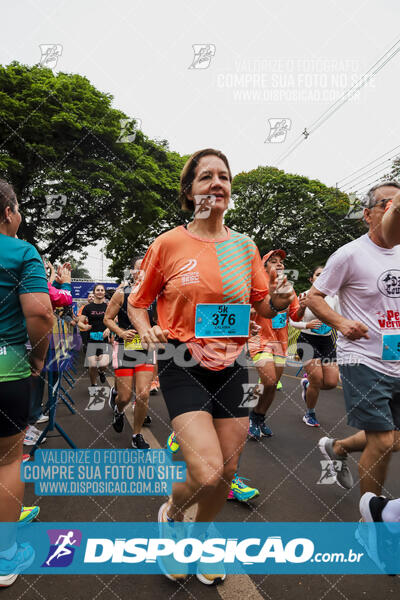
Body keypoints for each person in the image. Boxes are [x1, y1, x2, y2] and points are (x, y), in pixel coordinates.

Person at [127, 148, 294, 584]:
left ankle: (200, 539)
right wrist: (146, 330)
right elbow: (137, 302)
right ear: (190, 191)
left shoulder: (244, 246)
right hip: (181, 360)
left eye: (224, 176)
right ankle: (173, 514)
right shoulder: (168, 244)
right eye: (206, 177)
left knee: (230, 471)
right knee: (206, 469)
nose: (216, 183)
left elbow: (262, 307)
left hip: (233, 362)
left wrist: (278, 296)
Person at [306, 181, 400, 494]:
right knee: (383, 440)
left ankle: (339, 447)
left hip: (395, 356)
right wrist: (342, 323)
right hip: (362, 357)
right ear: (367, 215)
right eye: (385, 204)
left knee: (394, 439)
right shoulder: (350, 254)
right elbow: (314, 297)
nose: (392, 210)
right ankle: (370, 521)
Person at [0, 180, 54, 586]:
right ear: (8, 212)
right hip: (7, 366)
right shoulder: (21, 251)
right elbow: (40, 315)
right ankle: (5, 556)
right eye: (18, 209)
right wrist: (38, 358)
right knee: (9, 461)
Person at [247, 249, 305, 439]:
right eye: (273, 261)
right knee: (269, 379)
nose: (279, 264)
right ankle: (247, 415)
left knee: (272, 385)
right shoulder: (255, 285)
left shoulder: (289, 289)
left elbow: (295, 315)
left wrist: (303, 305)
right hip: (259, 338)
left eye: (281, 261)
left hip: (280, 342)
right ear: (263, 266)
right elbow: (245, 309)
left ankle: (259, 417)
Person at [103, 259, 155, 449]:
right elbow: (107, 319)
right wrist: (121, 332)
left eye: (146, 268)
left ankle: (136, 435)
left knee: (143, 394)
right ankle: (118, 410)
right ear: (132, 272)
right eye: (138, 269)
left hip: (146, 348)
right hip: (125, 347)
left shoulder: (156, 294)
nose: (141, 272)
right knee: (124, 398)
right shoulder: (122, 293)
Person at [290, 265, 340, 427]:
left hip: (326, 342)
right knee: (317, 378)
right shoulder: (303, 295)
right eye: (318, 274)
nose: (322, 276)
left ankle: (307, 384)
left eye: (325, 274)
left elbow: (340, 318)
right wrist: (307, 325)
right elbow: (292, 321)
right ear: (311, 279)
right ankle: (310, 413)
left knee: (332, 382)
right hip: (307, 341)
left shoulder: (334, 298)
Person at [78, 284, 110, 387]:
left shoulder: (108, 307)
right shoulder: (87, 307)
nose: (100, 291)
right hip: (91, 338)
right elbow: (80, 322)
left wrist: (109, 329)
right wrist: (84, 326)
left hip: (103, 338)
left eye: (102, 290)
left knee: (103, 364)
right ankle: (93, 385)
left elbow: (113, 321)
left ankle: (102, 372)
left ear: (104, 293)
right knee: (92, 365)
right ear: (94, 292)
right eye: (98, 290)